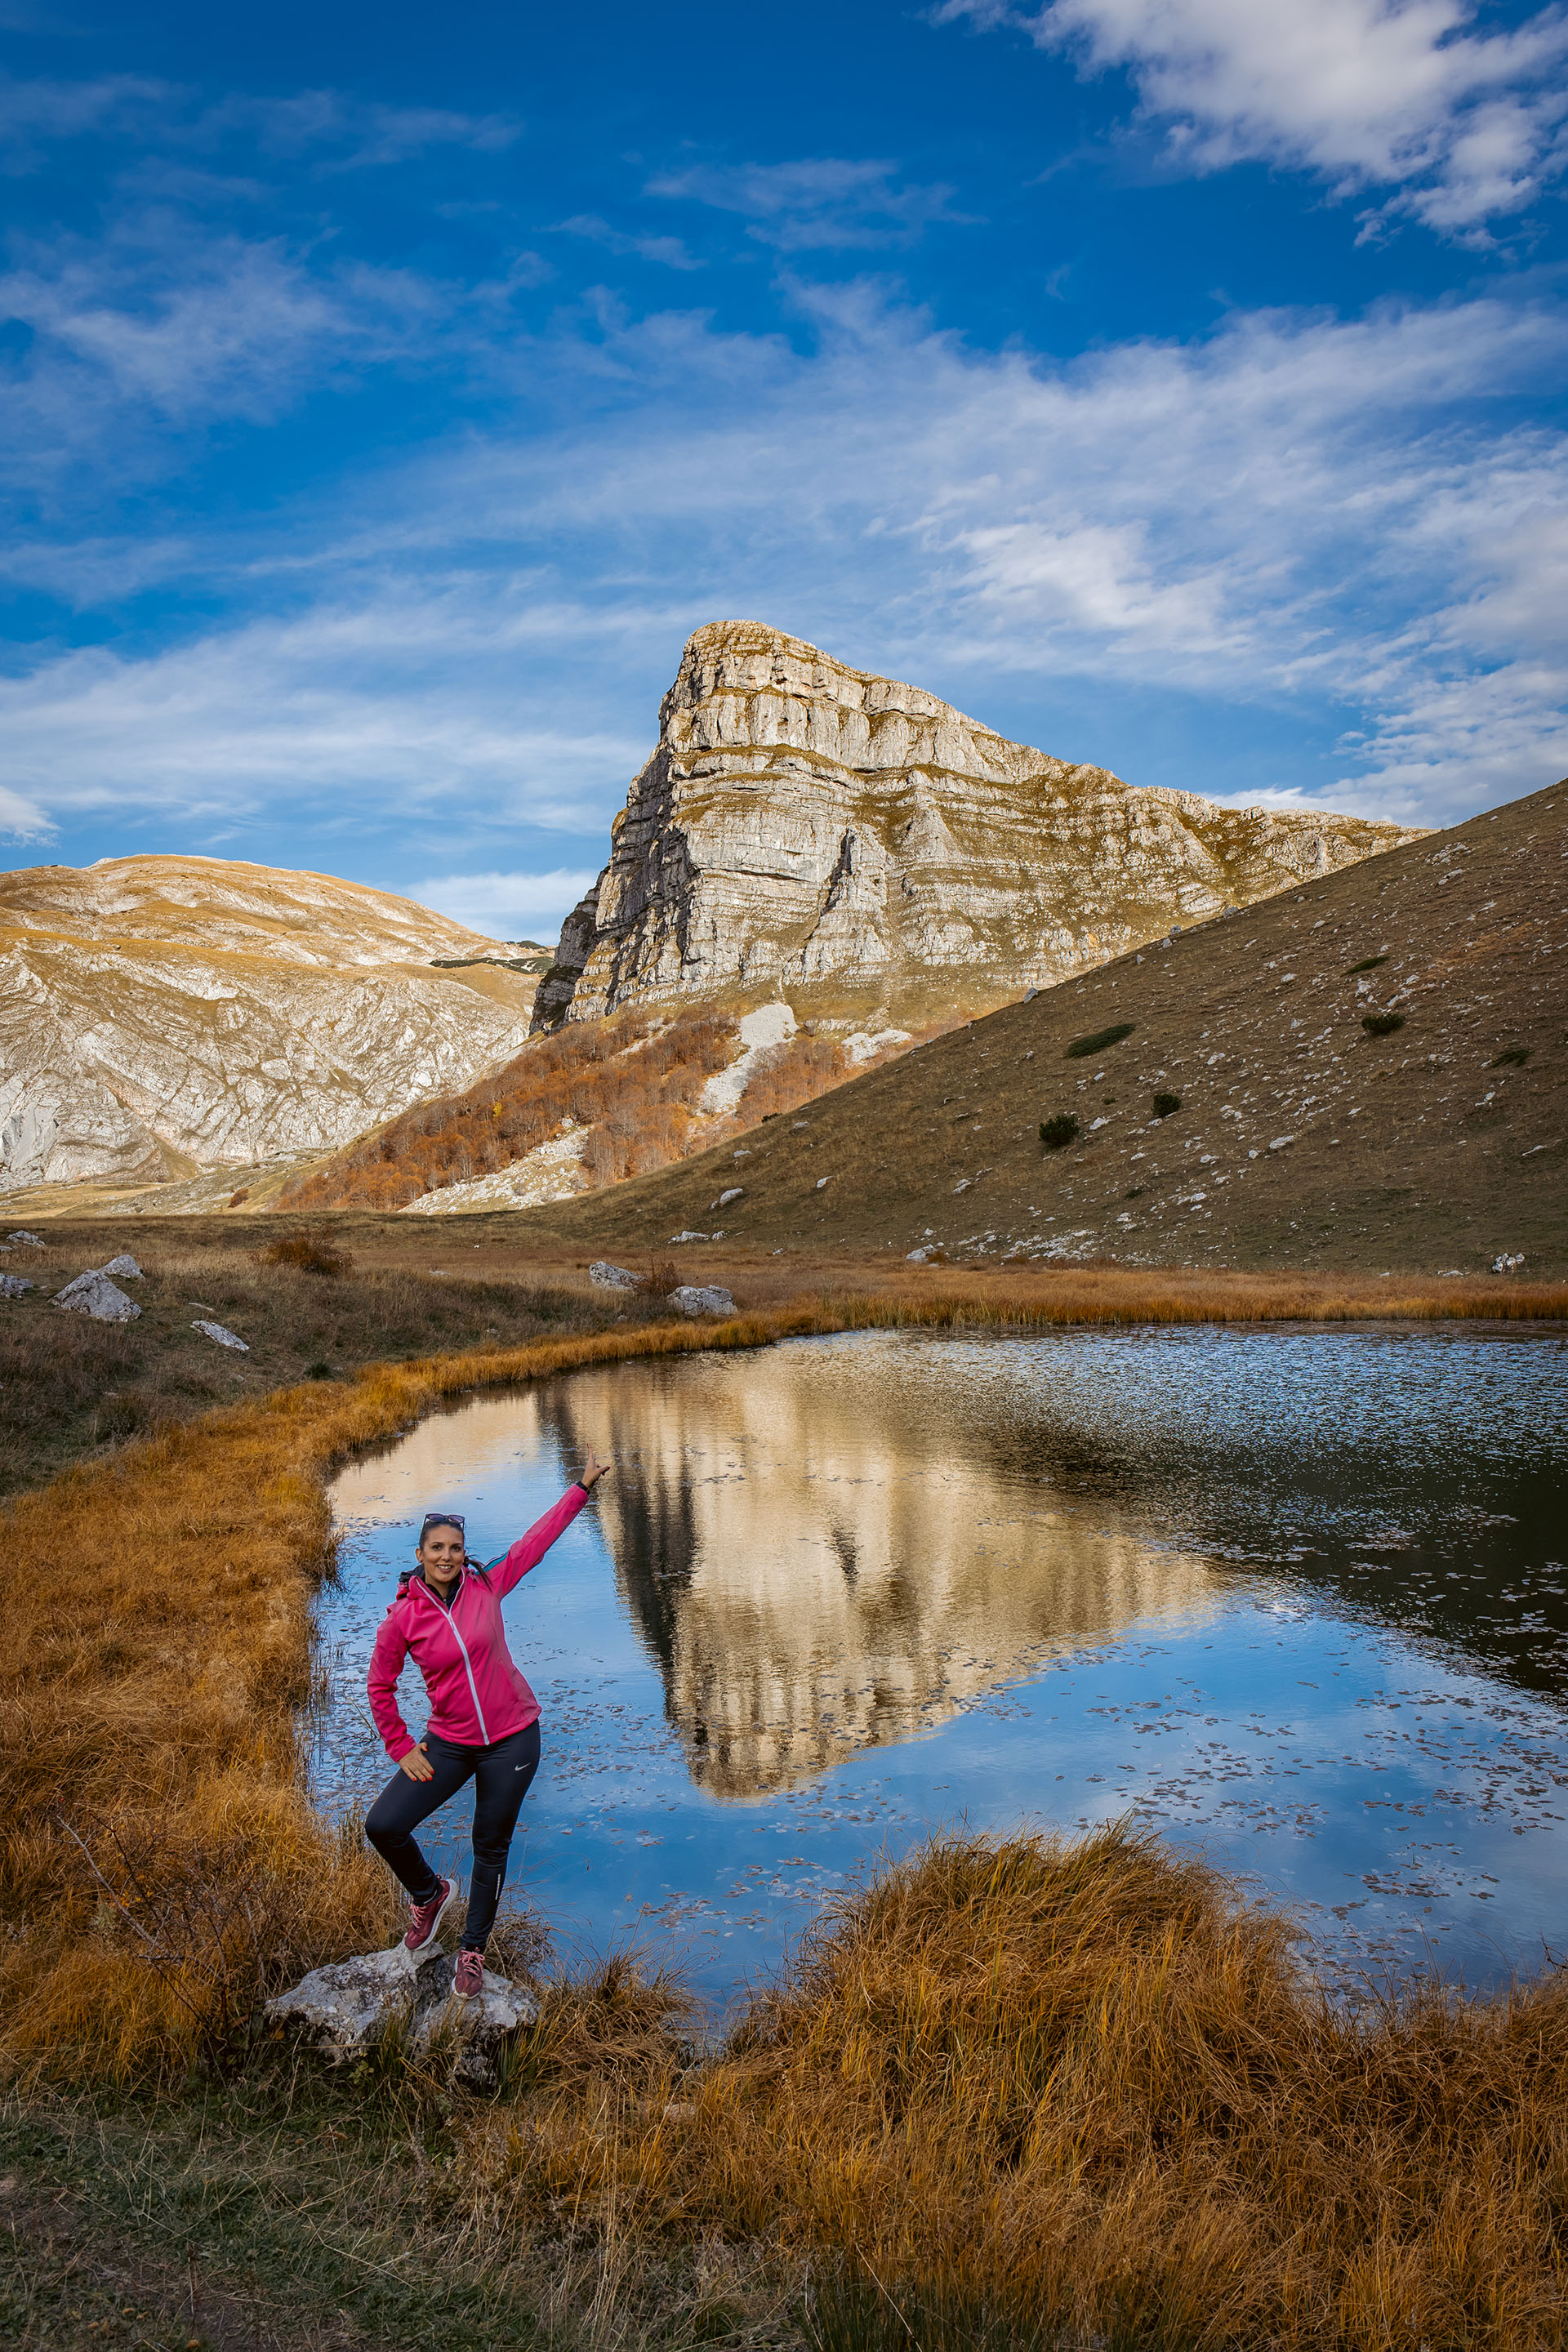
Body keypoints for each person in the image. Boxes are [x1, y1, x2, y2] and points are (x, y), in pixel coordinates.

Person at [364, 1451, 610, 1997]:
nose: (447, 1556)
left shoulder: (487, 1585)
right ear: (421, 1555)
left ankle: (472, 1951)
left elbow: (534, 1544)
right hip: (449, 1743)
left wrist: (582, 1486)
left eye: (455, 1547)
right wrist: (401, 1745)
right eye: (437, 1548)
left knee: (489, 1845)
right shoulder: (402, 1617)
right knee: (383, 1825)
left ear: (463, 1552)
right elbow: (379, 1687)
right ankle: (430, 1895)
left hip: (513, 1739)